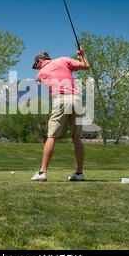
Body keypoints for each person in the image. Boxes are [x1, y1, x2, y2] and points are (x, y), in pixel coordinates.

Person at [30, 48, 90, 182]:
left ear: (39, 61)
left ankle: (42, 172)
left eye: (37, 65)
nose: (37, 68)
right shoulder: (64, 60)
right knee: (76, 138)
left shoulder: (40, 75)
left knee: (52, 136)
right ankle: (79, 173)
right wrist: (81, 56)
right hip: (77, 99)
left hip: (61, 99)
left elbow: (52, 85)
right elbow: (86, 66)